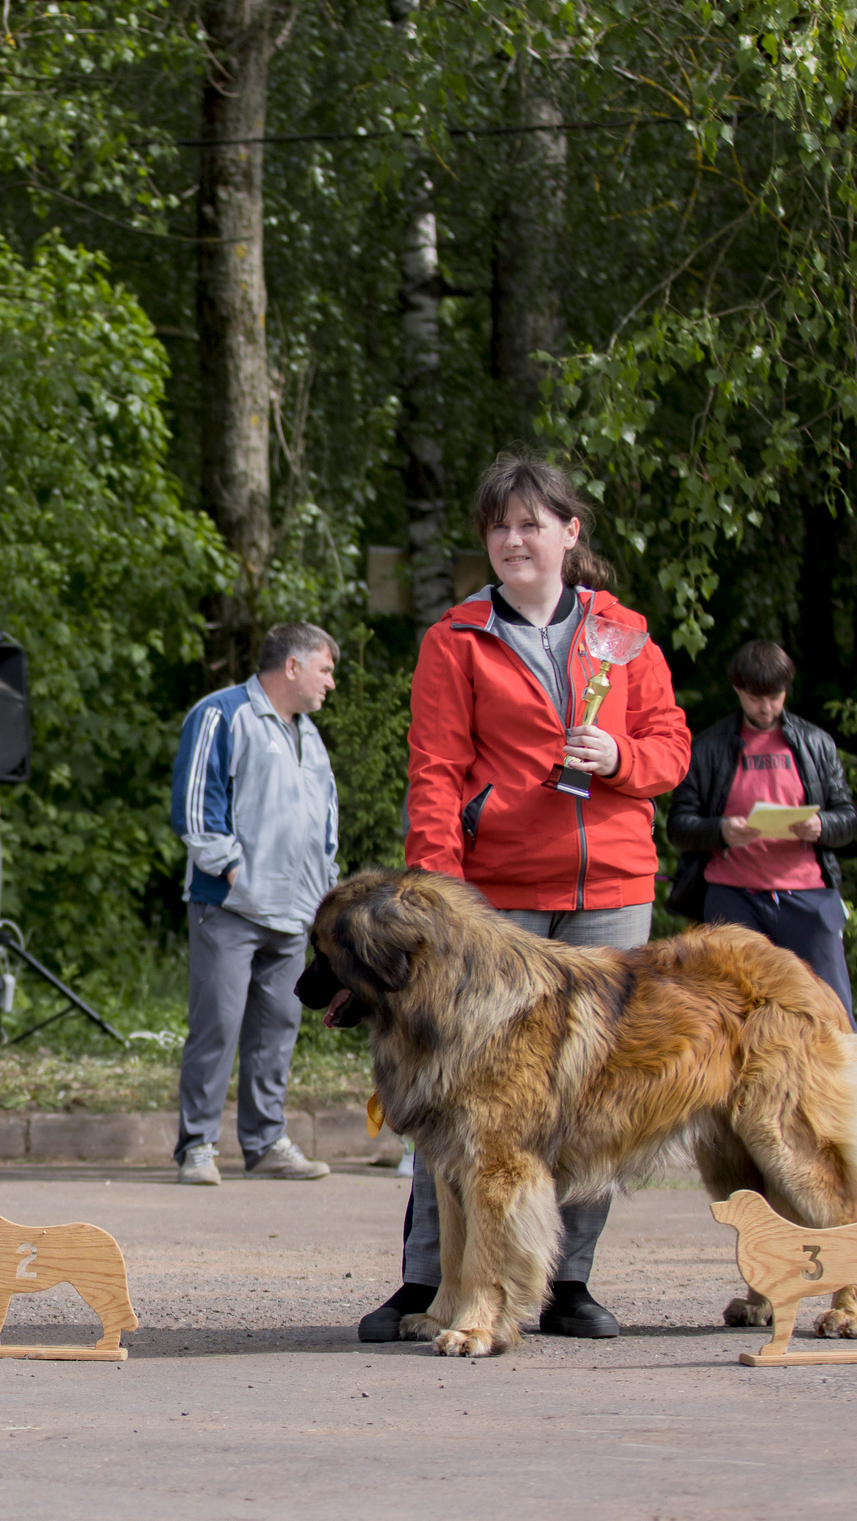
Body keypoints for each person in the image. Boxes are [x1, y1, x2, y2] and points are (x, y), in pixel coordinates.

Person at [358, 454, 691, 1344]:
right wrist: (437, 898)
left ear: (569, 533)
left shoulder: (625, 634)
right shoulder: (455, 639)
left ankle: (564, 1281)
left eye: (530, 524)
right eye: (499, 527)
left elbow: (672, 747)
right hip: (494, 902)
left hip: (611, 889)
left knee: (591, 1094)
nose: (513, 540)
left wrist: (620, 758)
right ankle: (428, 1277)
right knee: (457, 1092)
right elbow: (434, 773)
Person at [167, 623, 341, 1186]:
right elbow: (196, 800)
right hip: (231, 906)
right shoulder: (221, 714)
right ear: (292, 666)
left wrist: (326, 888)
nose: (330, 683)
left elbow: (326, 818)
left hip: (295, 911)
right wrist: (228, 866)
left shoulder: (309, 734)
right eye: (325, 670)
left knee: (278, 1027)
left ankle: (265, 1143)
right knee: (217, 1024)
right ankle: (197, 1145)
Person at [665, 640, 857, 1016]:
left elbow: (848, 818)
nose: (766, 707)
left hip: (808, 895)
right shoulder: (708, 747)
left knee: (830, 1007)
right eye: (756, 698)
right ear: (738, 690)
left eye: (775, 697)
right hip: (733, 896)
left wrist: (821, 825)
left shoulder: (816, 743)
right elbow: (679, 827)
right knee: (729, 1010)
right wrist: (721, 831)